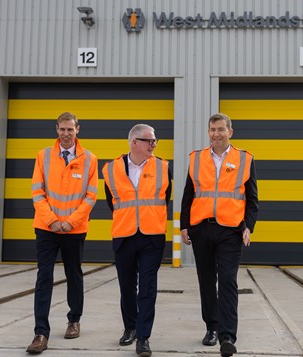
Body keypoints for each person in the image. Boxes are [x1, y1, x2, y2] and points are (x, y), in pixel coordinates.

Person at [180, 113, 259, 357]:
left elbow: (252, 198)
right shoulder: (197, 158)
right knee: (206, 280)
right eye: (213, 129)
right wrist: (184, 226)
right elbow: (188, 195)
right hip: (202, 228)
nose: (216, 134)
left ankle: (227, 336)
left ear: (230, 132)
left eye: (221, 129)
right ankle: (211, 328)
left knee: (227, 280)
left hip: (230, 230)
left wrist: (248, 226)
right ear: (208, 132)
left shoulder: (244, 159)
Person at [27, 112, 98, 354]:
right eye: (62, 129)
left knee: (73, 273)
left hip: (74, 228)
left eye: (70, 129)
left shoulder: (90, 159)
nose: (66, 134)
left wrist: (70, 222)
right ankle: (40, 333)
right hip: (47, 227)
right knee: (44, 276)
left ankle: (74, 320)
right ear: (56, 129)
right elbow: (37, 193)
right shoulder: (43, 156)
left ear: (78, 129)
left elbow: (91, 196)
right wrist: (53, 221)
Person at [103, 124, 172, 357]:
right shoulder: (111, 169)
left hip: (152, 236)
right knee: (127, 287)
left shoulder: (163, 167)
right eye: (149, 141)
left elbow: (166, 198)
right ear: (134, 142)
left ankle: (143, 337)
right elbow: (111, 201)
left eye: (154, 141)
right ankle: (130, 327)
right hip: (124, 235)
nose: (153, 145)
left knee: (148, 288)